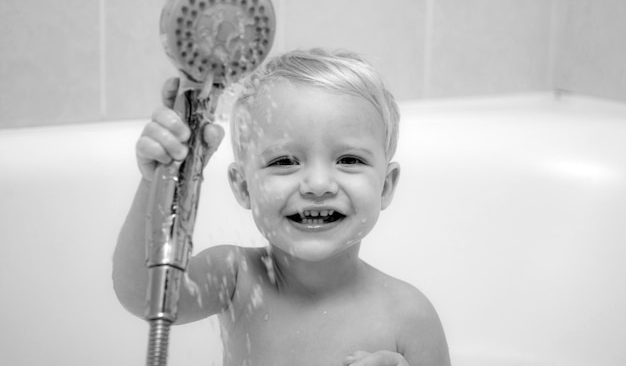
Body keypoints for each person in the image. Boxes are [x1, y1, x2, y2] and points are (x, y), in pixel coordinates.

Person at [113, 48, 450, 366]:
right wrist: (159, 181)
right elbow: (144, 295)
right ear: (244, 187)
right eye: (285, 161)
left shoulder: (409, 316)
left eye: (349, 159)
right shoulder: (236, 279)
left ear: (385, 186)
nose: (318, 185)